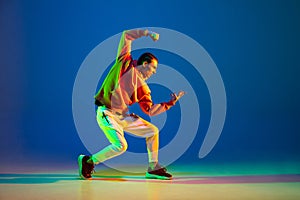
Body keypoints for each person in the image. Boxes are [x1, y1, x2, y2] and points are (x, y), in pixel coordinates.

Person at [78, 28, 185, 180]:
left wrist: (171, 102)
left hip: (123, 117)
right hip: (106, 113)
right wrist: (148, 33)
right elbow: (126, 35)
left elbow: (150, 110)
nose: (154, 72)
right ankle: (88, 161)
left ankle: (153, 168)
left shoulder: (144, 88)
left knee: (152, 131)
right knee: (121, 146)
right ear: (145, 63)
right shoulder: (125, 62)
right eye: (153, 67)